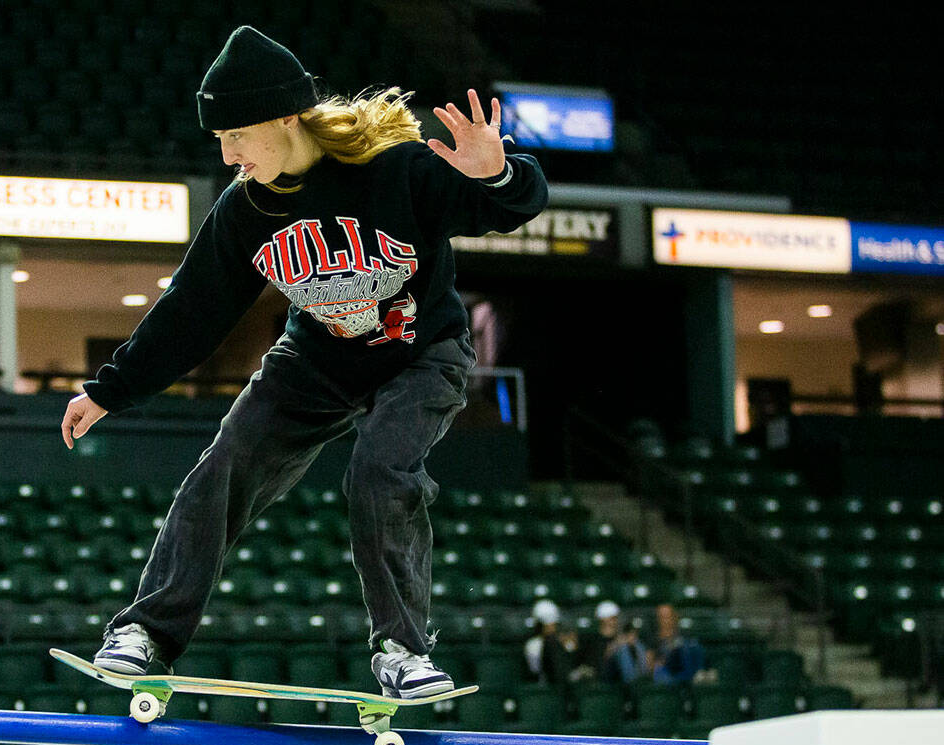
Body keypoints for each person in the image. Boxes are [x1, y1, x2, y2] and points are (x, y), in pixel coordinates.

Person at [61, 25, 548, 699]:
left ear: (286, 116)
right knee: (225, 464)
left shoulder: (396, 170)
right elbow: (192, 312)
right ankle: (147, 633)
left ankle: (403, 651)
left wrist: (497, 170)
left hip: (421, 354)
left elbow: (514, 206)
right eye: (221, 141)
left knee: (381, 471)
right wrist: (109, 390)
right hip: (314, 361)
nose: (230, 155)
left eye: (238, 136)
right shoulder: (247, 208)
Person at [578, 601, 650, 684]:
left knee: (635, 643)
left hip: (620, 674)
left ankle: (643, 680)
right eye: (612, 618)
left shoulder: (621, 636)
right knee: (623, 648)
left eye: (615, 618)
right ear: (603, 619)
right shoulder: (594, 639)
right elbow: (599, 661)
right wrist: (618, 644)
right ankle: (633, 683)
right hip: (605, 675)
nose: (615, 620)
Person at [523, 599, 578, 684]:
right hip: (545, 683)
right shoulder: (533, 644)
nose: (552, 628)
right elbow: (537, 669)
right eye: (547, 625)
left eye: (553, 624)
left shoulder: (562, 640)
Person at [650, 602, 706, 684]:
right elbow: (650, 666)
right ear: (658, 619)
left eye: (668, 616)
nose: (665, 620)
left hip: (684, 674)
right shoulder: (653, 640)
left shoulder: (685, 638)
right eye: (662, 617)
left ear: (674, 617)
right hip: (665, 675)